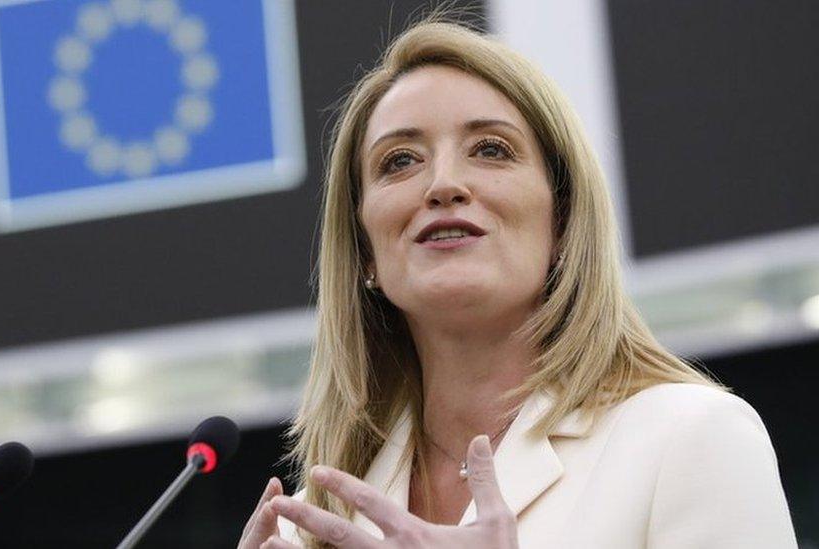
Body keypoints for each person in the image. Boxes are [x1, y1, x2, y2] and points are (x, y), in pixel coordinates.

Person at [237, 17, 797, 549]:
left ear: (562, 221)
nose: (444, 184)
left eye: (490, 150)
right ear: (364, 251)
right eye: (400, 161)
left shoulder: (690, 437)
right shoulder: (311, 524)